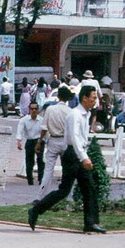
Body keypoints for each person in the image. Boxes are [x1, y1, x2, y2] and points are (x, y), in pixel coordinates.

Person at [28, 84, 107, 234]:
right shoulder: (74, 115)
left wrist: (85, 154)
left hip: (79, 153)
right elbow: (73, 138)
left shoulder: (86, 114)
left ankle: (90, 223)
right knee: (64, 190)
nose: (95, 101)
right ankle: (35, 210)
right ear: (85, 98)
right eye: (93, 98)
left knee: (89, 188)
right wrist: (83, 157)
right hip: (73, 154)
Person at [37, 85, 74, 197]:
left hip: (53, 139)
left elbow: (44, 128)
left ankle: (42, 195)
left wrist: (39, 141)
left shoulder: (50, 109)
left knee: (48, 169)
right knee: (66, 170)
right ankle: (64, 195)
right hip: (66, 141)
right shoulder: (70, 111)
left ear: (58, 96)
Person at [16, 101, 45, 185]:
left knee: (40, 160)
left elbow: (45, 132)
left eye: (36, 108)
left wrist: (45, 141)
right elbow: (19, 131)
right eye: (32, 109)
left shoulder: (41, 120)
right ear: (29, 110)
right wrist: (19, 141)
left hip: (39, 141)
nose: (34, 110)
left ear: (38, 110)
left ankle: (41, 179)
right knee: (29, 161)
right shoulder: (24, 120)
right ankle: (30, 180)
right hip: (30, 141)